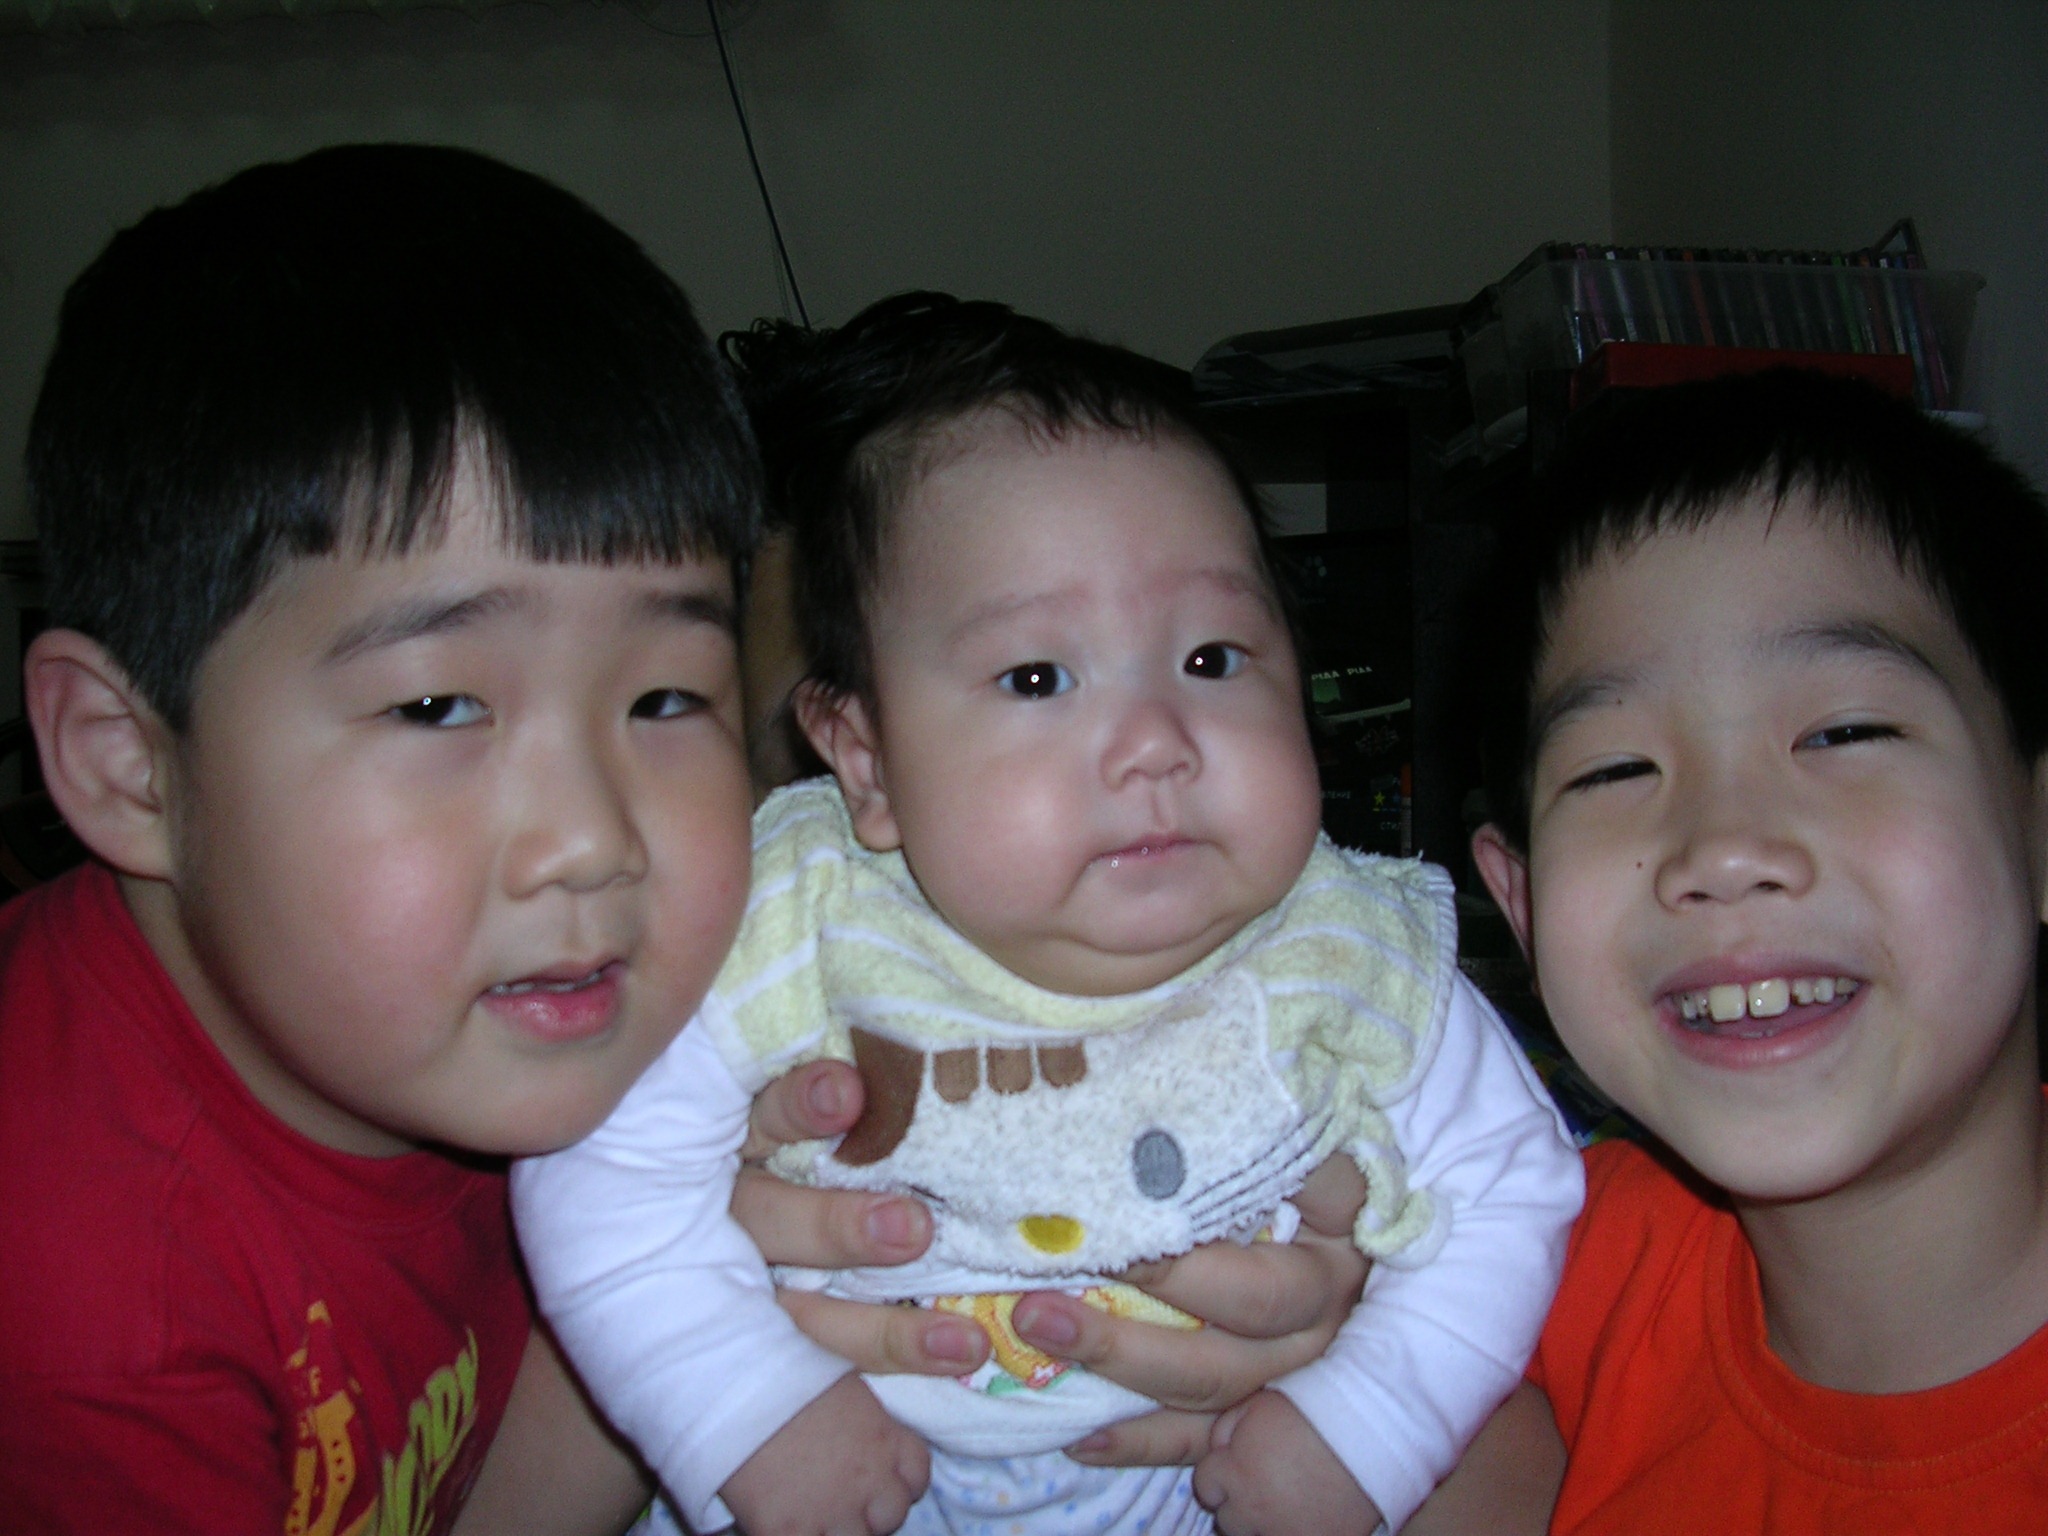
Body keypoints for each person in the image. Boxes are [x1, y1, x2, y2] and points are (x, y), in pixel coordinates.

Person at [514, 293, 1584, 1536]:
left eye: (1211, 659)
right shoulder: (792, 924)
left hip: (1191, 1480)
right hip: (832, 1457)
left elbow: (1508, 1191)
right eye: (1036, 677)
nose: (1154, 741)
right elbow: (603, 1172)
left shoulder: (1345, 952)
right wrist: (742, 1406)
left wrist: (1367, 1421)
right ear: (865, 762)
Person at [0, 141, 857, 1535]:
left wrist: (677, 1285)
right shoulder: (83, 1318)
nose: (590, 842)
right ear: (130, 765)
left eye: (664, 698)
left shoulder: (512, 1000)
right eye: (439, 705)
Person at [1446, 369, 2048, 1531]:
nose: (1720, 849)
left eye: (1843, 731)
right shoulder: (1512, 1258)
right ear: (1516, 904)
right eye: (1614, 769)